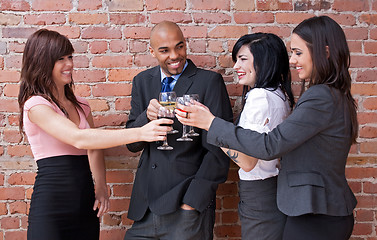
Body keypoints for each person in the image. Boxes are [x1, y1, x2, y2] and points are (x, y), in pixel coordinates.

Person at [176, 15, 358, 240]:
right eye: (292, 53)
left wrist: (210, 123)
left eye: (299, 53)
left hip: (317, 214)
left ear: (326, 52)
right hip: (316, 210)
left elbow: (269, 145)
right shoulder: (330, 94)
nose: (292, 61)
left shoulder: (320, 96)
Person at [18, 29, 172, 240]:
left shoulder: (81, 104)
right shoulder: (36, 105)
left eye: (70, 57)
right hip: (52, 204)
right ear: (42, 62)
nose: (69, 64)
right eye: (60, 59)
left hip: (84, 199)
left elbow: (94, 147)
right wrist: (141, 133)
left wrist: (100, 186)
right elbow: (80, 139)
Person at [124, 21, 233, 239]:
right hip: (145, 208)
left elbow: (220, 148)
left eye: (180, 46)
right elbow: (132, 143)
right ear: (152, 51)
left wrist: (192, 202)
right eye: (165, 50)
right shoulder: (143, 82)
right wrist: (146, 117)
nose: (175, 55)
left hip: (186, 207)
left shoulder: (209, 81)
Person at [211, 32, 294, 240]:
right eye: (236, 60)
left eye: (243, 59)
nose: (236, 66)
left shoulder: (260, 97)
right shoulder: (279, 93)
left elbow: (248, 161)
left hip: (259, 193)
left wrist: (209, 126)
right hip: (274, 187)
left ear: (265, 60)